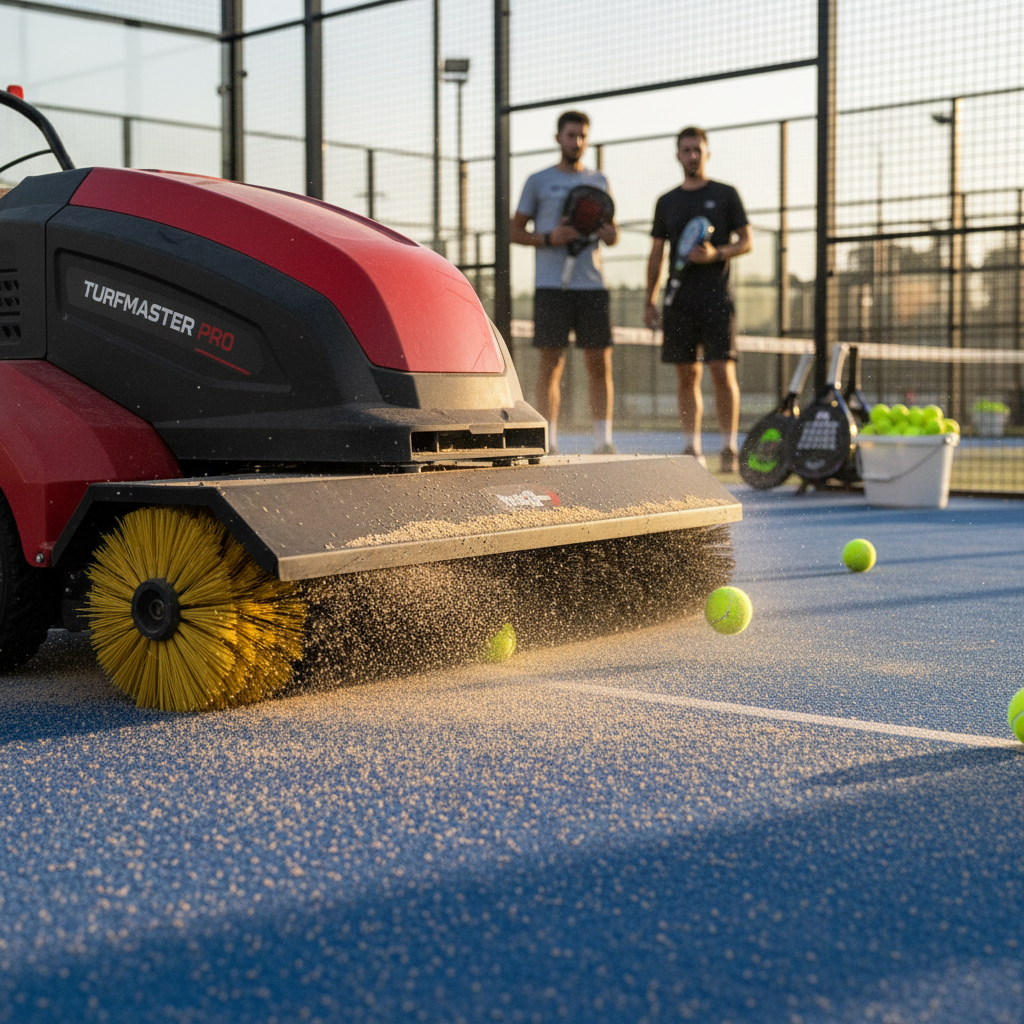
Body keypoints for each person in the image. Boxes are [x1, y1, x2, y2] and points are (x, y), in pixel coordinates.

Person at [643, 126, 752, 473]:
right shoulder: (667, 201)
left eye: (697, 149)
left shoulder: (726, 194)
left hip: (717, 300)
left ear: (707, 153)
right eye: (685, 150)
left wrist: (716, 253)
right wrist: (650, 299)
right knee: (687, 375)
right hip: (679, 303)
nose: (692, 155)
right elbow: (657, 254)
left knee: (722, 371)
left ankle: (729, 448)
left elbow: (746, 241)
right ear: (677, 155)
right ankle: (693, 448)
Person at [512, 111, 619, 455]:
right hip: (551, 288)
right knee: (550, 363)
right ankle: (549, 440)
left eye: (583, 136)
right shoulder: (537, 180)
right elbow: (514, 231)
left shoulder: (599, 181)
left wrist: (609, 234)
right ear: (558, 138)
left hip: (592, 287)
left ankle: (603, 441)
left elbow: (612, 233)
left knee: (598, 364)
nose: (577, 142)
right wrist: (548, 238)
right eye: (571, 135)